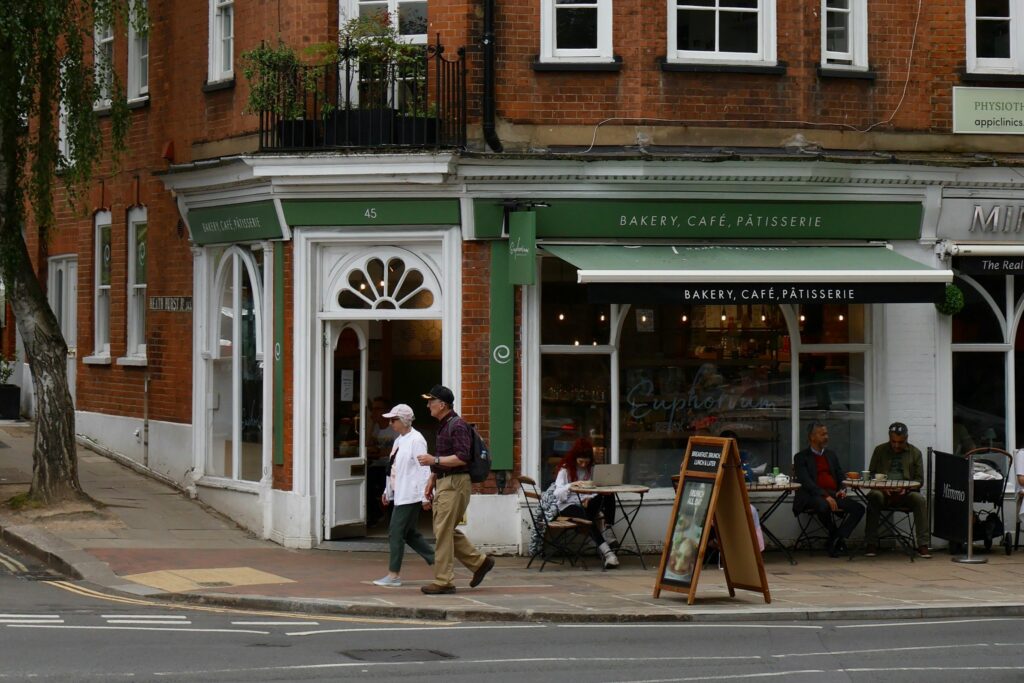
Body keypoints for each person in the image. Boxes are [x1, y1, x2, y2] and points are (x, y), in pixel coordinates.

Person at [415, 384, 494, 594]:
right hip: (445, 481)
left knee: (442, 532)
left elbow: (462, 457)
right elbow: (445, 457)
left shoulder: (457, 425)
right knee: (445, 530)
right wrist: (433, 476)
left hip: (455, 482)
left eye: (431, 401)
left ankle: (444, 581)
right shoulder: (444, 425)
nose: (428, 405)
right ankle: (479, 563)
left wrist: (434, 460)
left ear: (442, 405)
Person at [372, 404, 435, 587]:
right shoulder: (400, 439)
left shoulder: (417, 440)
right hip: (402, 493)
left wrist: (425, 496)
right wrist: (388, 490)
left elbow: (424, 469)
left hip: (411, 495)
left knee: (395, 532)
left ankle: (394, 575)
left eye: (394, 420)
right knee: (409, 534)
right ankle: (438, 562)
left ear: (404, 421)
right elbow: (393, 468)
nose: (390, 423)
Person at [792, 421, 864, 557]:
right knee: (823, 505)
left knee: (859, 508)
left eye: (827, 433)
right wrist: (825, 496)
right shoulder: (801, 457)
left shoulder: (831, 455)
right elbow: (806, 482)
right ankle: (834, 536)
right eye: (822, 434)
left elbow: (839, 474)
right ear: (812, 437)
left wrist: (842, 489)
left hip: (833, 494)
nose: (827, 437)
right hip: (811, 496)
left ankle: (837, 538)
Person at [548, 438, 619, 569]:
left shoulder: (590, 469)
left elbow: (592, 489)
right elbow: (557, 493)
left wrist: (589, 497)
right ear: (575, 458)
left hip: (585, 503)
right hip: (568, 506)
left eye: (586, 462)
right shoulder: (565, 470)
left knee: (608, 493)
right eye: (580, 462)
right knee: (588, 520)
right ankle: (608, 553)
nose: (583, 465)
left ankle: (608, 530)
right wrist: (571, 485)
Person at [864, 422, 931, 558]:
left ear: (906, 438)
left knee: (919, 499)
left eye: (900, 442)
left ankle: (923, 545)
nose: (896, 445)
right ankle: (871, 543)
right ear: (889, 438)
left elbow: (919, 481)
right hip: (883, 492)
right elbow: (870, 475)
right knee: (874, 496)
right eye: (893, 441)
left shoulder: (915, 453)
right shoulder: (879, 450)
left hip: (905, 493)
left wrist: (905, 489)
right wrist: (883, 487)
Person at [366, 397, 398, 527]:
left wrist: (378, 452)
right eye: (372, 409)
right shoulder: (376, 429)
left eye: (377, 409)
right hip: (376, 465)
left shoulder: (394, 428)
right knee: (365, 483)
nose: (373, 412)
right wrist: (372, 423)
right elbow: (367, 445)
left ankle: (389, 517)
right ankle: (376, 514)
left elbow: (393, 451)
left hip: (389, 466)